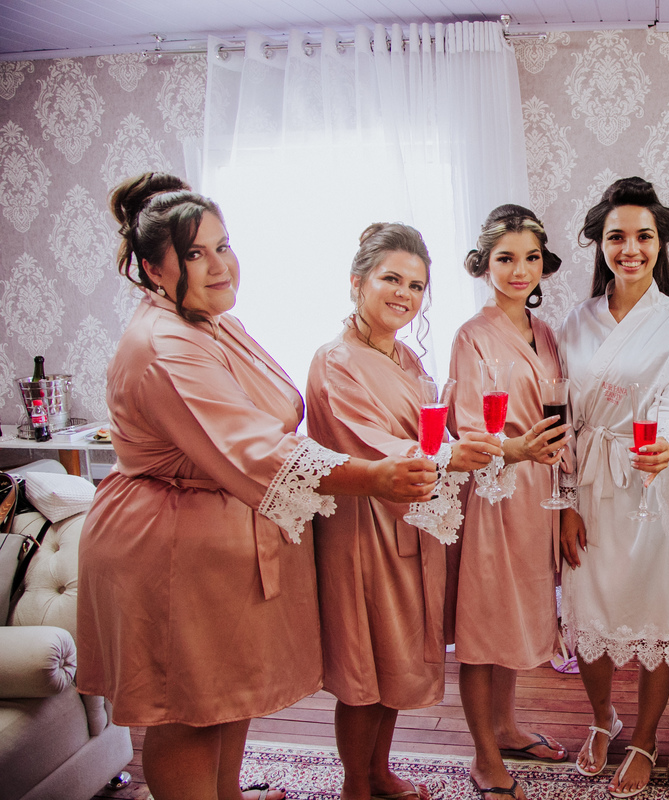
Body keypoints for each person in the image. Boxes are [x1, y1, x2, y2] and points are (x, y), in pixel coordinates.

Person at [76, 173, 438, 800]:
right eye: (195, 253)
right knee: (190, 713)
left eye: (223, 245)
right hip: (171, 547)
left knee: (224, 699)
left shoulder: (214, 324)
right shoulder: (164, 344)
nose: (220, 265)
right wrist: (372, 475)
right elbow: (258, 449)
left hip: (221, 542)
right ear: (152, 269)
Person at [306, 222, 501, 800]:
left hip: (410, 521)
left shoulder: (408, 358)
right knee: (364, 667)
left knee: (394, 660)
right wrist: (446, 457)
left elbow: (425, 434)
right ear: (357, 281)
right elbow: (367, 444)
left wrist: (458, 447)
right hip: (361, 529)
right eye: (391, 279)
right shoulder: (335, 361)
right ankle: (355, 785)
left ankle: (379, 771)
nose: (404, 294)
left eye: (416, 286)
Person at [558, 177, 669, 799]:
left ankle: (646, 737)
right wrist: (565, 503)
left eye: (643, 236)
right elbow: (561, 419)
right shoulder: (576, 323)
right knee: (588, 609)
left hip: (652, 486)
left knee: (656, 613)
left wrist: (668, 444)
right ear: (599, 244)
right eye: (616, 236)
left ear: (661, 243)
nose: (630, 249)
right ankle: (604, 719)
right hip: (590, 485)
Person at [445, 205, 571, 800]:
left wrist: (565, 493)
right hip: (496, 494)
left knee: (518, 616)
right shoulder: (471, 336)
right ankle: (483, 755)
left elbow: (562, 415)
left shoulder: (546, 334)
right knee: (484, 626)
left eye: (531, 258)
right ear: (484, 264)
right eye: (506, 259)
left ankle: (506, 725)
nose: (520, 270)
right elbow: (467, 426)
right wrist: (516, 449)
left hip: (540, 495)